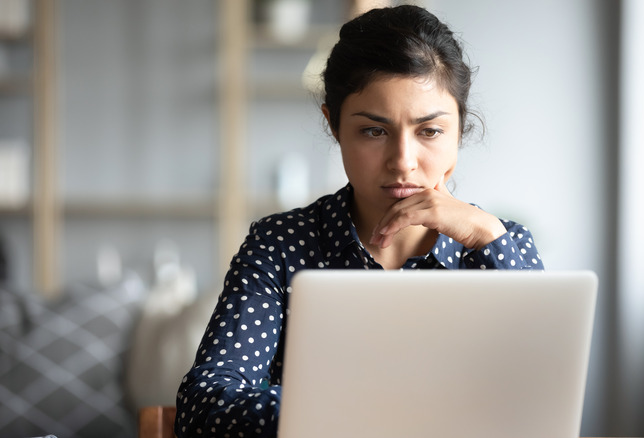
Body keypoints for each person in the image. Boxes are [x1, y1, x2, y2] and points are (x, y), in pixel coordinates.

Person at [175, 5, 543, 437]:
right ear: (334, 125)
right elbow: (204, 408)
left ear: (459, 129)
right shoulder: (281, 244)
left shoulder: (502, 243)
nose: (403, 162)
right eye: (374, 131)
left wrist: (488, 237)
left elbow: (539, 406)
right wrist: (379, 409)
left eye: (429, 131)